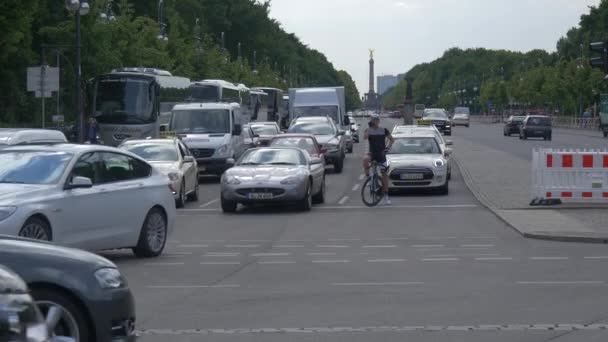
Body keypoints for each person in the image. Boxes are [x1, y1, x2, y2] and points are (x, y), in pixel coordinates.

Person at [363, 114, 395, 205]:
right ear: (371, 121)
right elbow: (365, 137)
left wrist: (387, 149)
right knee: (365, 160)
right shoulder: (368, 130)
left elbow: (392, 140)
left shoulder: (384, 130)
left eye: (376, 120)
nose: (375, 122)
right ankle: (368, 177)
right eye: (373, 120)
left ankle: (386, 195)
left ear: (379, 121)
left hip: (381, 155)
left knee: (384, 176)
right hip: (372, 154)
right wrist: (369, 129)